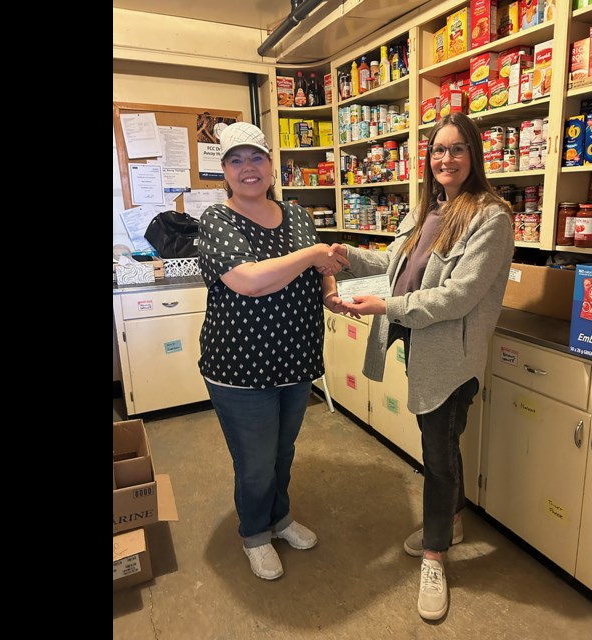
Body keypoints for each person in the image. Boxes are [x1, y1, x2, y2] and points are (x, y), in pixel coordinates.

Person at [327, 113, 514, 620]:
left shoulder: (490, 216)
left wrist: (384, 308)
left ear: (474, 155)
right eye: (437, 150)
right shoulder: (430, 210)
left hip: (450, 358)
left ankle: (435, 556)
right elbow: (395, 266)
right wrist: (347, 256)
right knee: (440, 443)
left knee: (437, 453)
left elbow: (457, 296)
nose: (445, 159)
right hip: (420, 347)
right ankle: (450, 521)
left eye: (456, 149)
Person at [197, 122, 350, 580]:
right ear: (224, 170)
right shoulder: (216, 220)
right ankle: (254, 534)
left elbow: (319, 268)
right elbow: (249, 281)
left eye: (256, 158)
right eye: (237, 160)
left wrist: (329, 289)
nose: (248, 168)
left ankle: (279, 519)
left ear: (270, 164)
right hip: (240, 368)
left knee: (283, 452)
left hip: (295, 358)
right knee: (255, 461)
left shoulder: (297, 214)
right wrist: (311, 255)